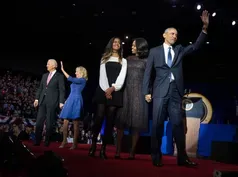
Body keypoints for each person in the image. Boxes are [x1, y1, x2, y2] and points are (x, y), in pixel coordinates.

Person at [142, 10, 209, 167]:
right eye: (172, 34)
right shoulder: (154, 51)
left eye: (176, 34)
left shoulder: (179, 50)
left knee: (178, 124)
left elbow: (195, 47)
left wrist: (204, 28)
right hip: (159, 91)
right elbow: (147, 73)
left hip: (175, 92)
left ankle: (182, 158)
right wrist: (146, 91)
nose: (174, 36)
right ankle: (156, 156)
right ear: (164, 35)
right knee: (157, 124)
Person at [88, 37, 127, 159]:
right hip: (102, 89)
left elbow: (122, 77)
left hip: (115, 91)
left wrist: (113, 88)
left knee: (110, 121)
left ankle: (103, 148)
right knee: (99, 118)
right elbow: (102, 76)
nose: (116, 44)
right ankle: (93, 144)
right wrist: (106, 89)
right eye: (114, 42)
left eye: (119, 43)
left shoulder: (123, 60)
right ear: (111, 44)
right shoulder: (104, 58)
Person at [115, 38, 149, 159]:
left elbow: (149, 79)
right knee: (120, 123)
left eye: (135, 45)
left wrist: (148, 93)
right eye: (133, 45)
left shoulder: (147, 61)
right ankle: (117, 150)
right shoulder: (127, 59)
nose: (132, 47)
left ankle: (132, 151)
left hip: (139, 94)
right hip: (126, 92)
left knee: (136, 124)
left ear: (141, 46)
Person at [33, 59, 65, 147]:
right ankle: (37, 141)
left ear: (54, 65)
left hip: (52, 101)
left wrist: (61, 102)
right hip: (42, 101)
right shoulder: (44, 75)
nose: (46, 65)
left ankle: (47, 141)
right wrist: (36, 99)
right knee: (39, 121)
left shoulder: (59, 76)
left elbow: (62, 90)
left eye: (48, 64)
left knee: (49, 122)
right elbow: (40, 88)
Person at [59, 61, 88, 149]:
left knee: (75, 123)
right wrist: (66, 101)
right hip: (70, 100)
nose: (75, 73)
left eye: (77, 71)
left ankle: (74, 144)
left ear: (81, 72)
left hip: (76, 100)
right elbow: (71, 91)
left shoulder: (82, 80)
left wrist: (62, 70)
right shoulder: (76, 80)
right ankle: (64, 141)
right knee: (65, 121)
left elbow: (70, 78)